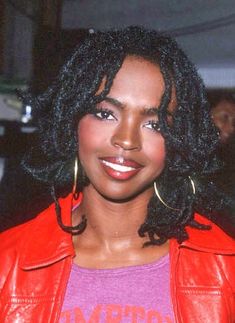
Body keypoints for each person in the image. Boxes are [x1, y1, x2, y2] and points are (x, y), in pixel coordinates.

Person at [0, 26, 234, 322]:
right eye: (105, 114)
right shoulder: (8, 266)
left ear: (178, 140)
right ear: (72, 121)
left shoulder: (224, 268)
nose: (126, 140)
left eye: (155, 124)